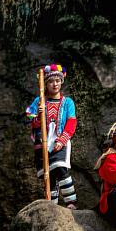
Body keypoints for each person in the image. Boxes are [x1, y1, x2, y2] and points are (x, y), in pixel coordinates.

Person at [26, 64, 78, 209]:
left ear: (62, 82)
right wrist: (37, 115)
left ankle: (71, 202)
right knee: (49, 174)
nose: (54, 84)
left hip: (59, 140)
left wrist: (62, 140)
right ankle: (53, 205)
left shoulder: (67, 102)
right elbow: (29, 113)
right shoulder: (39, 100)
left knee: (61, 168)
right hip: (42, 142)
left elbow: (71, 122)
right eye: (50, 81)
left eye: (57, 81)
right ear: (46, 84)